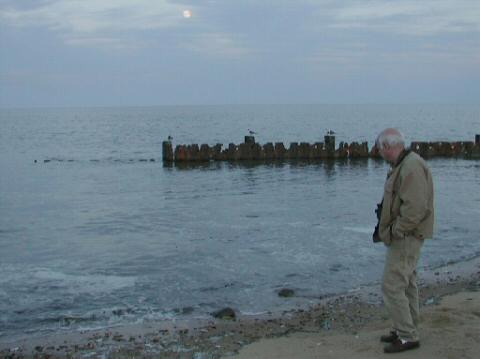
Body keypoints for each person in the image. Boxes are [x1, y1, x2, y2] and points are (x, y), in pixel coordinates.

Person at [374, 128, 435, 354]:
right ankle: (406, 328)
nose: (380, 154)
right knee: (407, 282)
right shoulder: (405, 164)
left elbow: (416, 208)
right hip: (407, 234)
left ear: (388, 147)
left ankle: (407, 335)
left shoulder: (410, 166)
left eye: (381, 149)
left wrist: (396, 231)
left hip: (407, 236)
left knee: (392, 284)